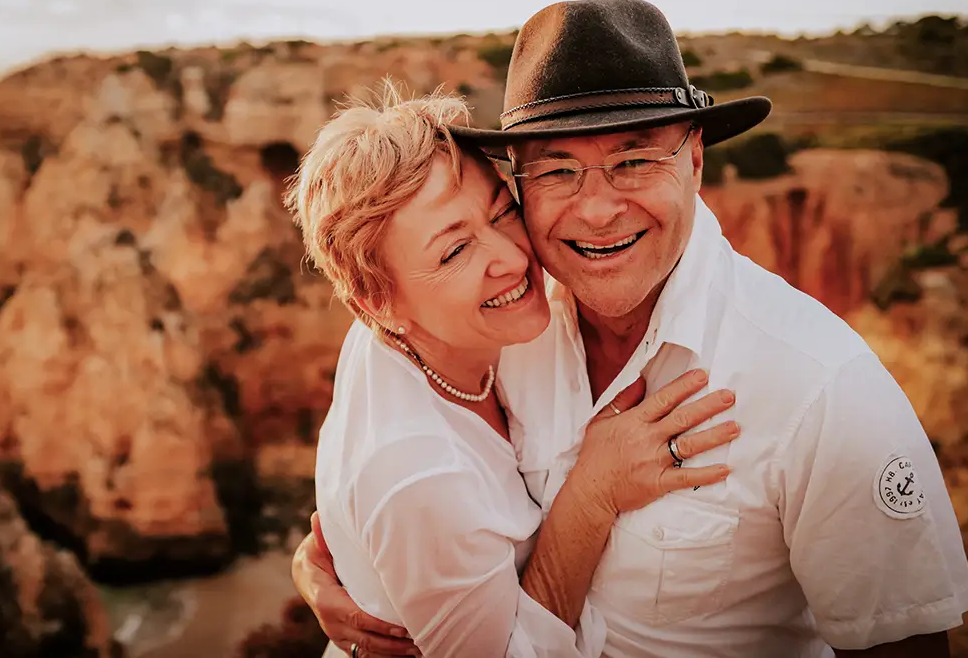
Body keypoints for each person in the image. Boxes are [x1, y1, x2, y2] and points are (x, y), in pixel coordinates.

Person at [293, 0, 968, 657]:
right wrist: (358, 577)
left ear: (697, 160)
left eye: (634, 160)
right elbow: (390, 398)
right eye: (557, 169)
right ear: (521, 183)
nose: (596, 211)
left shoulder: (823, 389)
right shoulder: (501, 314)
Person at [282, 81, 744, 658]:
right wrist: (593, 493)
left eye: (501, 213)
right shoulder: (417, 473)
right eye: (454, 252)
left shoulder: (415, 326)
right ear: (378, 303)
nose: (511, 257)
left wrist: (339, 560)